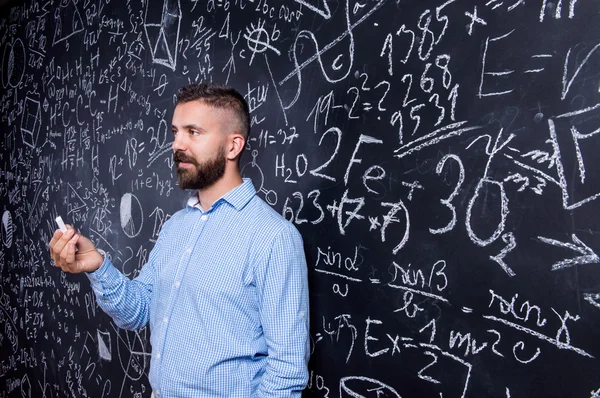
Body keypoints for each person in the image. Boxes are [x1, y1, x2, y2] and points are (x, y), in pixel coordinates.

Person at [49, 83, 310, 397]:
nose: (177, 144)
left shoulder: (273, 238)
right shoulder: (176, 228)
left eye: (193, 132)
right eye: (175, 132)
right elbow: (140, 311)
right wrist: (97, 266)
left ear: (233, 146)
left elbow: (287, 369)